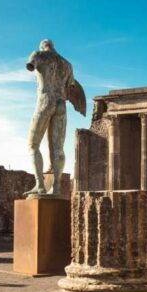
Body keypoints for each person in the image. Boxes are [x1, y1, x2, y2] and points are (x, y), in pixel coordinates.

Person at [24, 39, 85, 196]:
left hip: (45, 101)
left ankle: (40, 185)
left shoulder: (38, 55)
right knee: (58, 148)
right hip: (61, 105)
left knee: (33, 145)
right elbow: (71, 86)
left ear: (42, 46)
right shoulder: (67, 64)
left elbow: (30, 65)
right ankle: (56, 187)